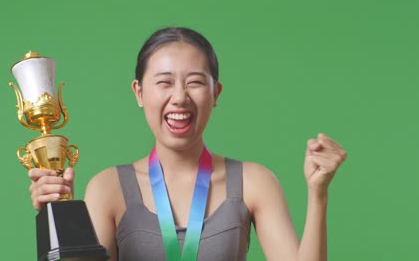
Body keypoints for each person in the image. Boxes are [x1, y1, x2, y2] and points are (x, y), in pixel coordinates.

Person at [28, 27, 347, 261]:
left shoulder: (254, 182)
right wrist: (57, 219)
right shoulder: (107, 188)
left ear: (216, 93)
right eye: (164, 82)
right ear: (139, 92)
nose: (179, 97)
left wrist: (318, 194)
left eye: (194, 82)